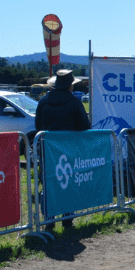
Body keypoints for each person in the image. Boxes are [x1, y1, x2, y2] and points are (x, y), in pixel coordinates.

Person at [35, 70, 91, 230]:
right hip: (69, 150)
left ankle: (48, 221)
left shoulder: (43, 101)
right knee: (69, 183)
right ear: (70, 86)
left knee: (48, 184)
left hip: (47, 149)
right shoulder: (74, 102)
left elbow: (38, 126)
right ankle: (67, 219)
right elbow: (85, 126)